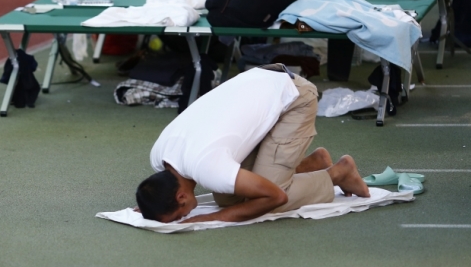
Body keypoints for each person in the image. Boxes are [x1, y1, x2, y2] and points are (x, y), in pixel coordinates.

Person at [136, 63, 370, 223]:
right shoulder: (160, 155)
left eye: (179, 217)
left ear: (181, 198)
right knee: (227, 198)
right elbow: (160, 192)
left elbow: (276, 197)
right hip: (260, 80)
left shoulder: (208, 167)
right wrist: (152, 207)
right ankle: (313, 163)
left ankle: (339, 173)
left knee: (269, 200)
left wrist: (209, 218)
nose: (183, 219)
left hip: (294, 96)